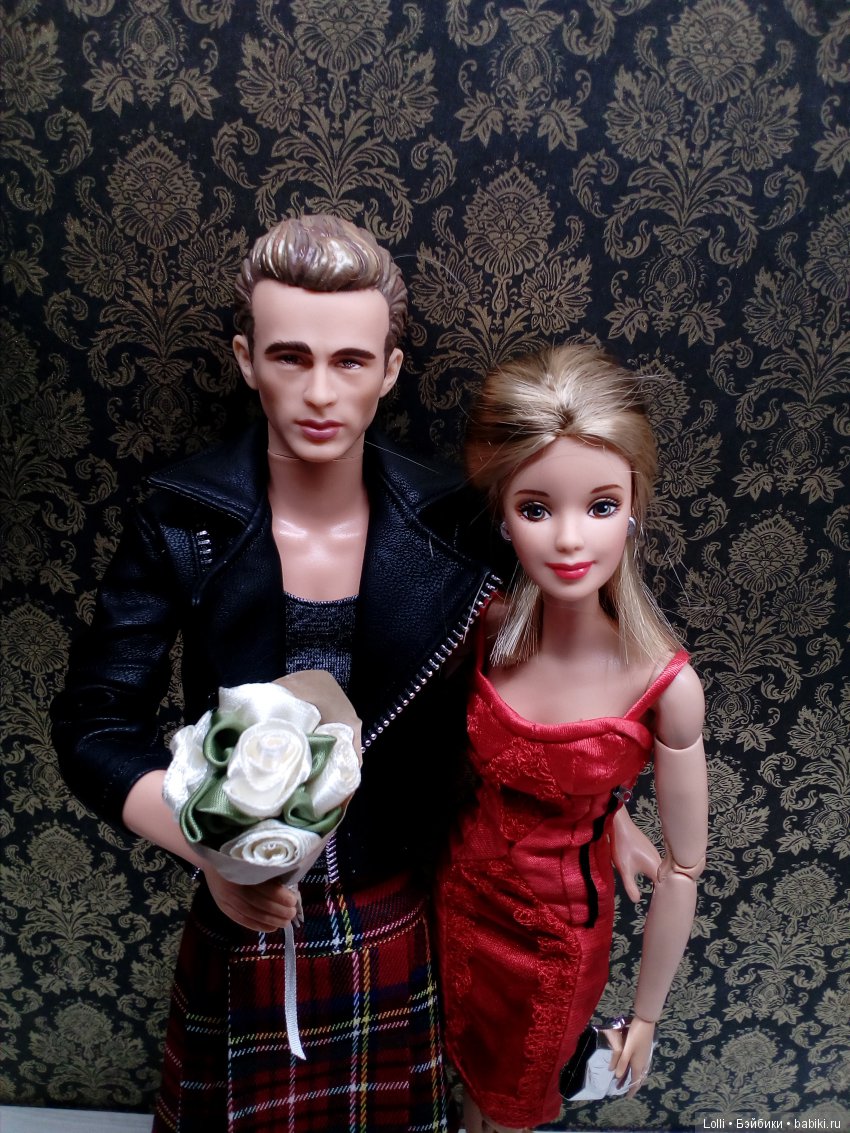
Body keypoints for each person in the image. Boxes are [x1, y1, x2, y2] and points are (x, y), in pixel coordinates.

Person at [51, 213, 503, 1132]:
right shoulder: (183, 521)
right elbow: (94, 724)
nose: (319, 392)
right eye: (290, 357)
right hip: (244, 916)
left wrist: (603, 810)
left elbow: (519, 694)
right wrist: (212, 852)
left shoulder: (453, 527)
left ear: (390, 371)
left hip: (393, 902)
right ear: (246, 360)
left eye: (350, 361)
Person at [434, 344, 709, 1133]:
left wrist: (645, 1017)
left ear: (634, 507)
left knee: (515, 1100)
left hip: (555, 940)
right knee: (464, 1081)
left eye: (599, 506)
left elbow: (684, 868)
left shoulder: (663, 684)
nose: (567, 540)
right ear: (502, 513)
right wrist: (610, 810)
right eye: (535, 508)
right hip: (455, 903)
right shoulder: (480, 630)